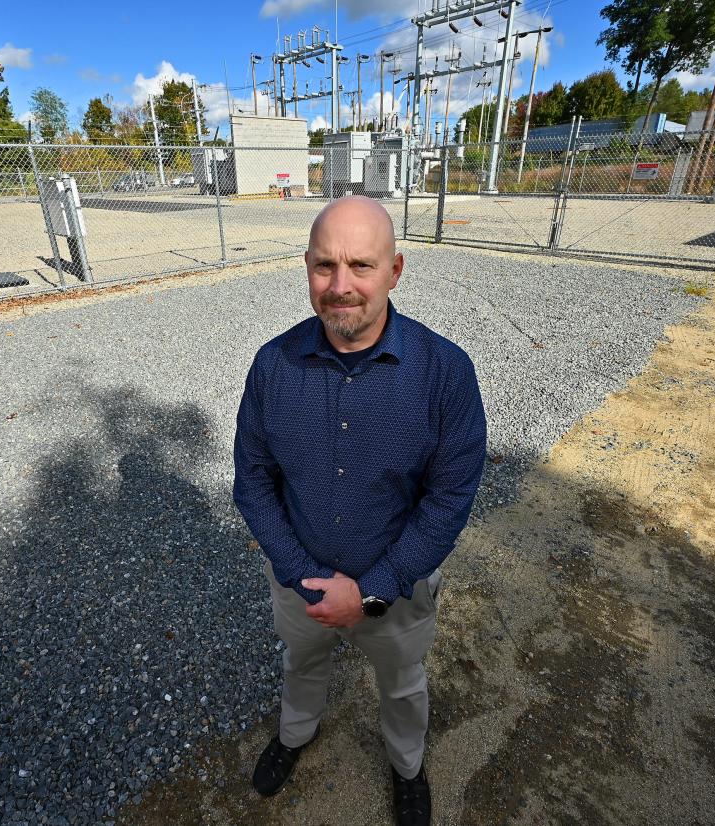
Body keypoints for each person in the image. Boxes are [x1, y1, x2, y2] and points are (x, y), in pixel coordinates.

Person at [233, 195, 487, 826]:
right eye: (325, 266)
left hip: (398, 589)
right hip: (300, 586)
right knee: (302, 665)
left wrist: (370, 589)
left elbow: (449, 498)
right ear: (308, 269)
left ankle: (407, 766)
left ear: (395, 270)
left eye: (361, 266)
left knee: (402, 685)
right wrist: (303, 575)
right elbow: (253, 481)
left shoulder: (444, 373)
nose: (340, 287)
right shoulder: (272, 366)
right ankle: (296, 735)